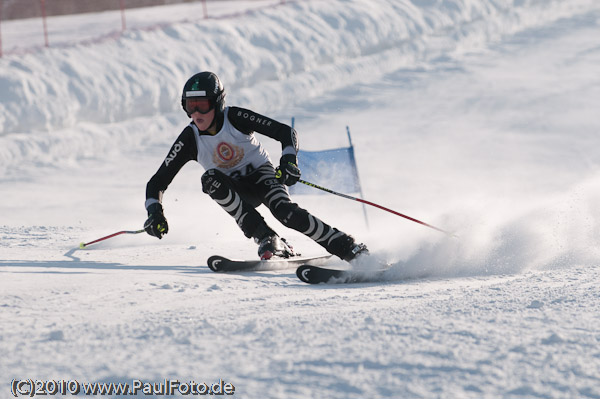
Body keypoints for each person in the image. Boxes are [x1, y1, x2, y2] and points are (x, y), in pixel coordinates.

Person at [144, 71, 368, 261]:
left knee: (284, 212)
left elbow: (285, 133)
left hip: (262, 176)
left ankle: (348, 247)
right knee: (210, 180)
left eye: (201, 105)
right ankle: (267, 238)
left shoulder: (235, 117)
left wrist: (289, 160)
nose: (195, 114)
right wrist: (155, 213)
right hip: (237, 189)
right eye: (189, 106)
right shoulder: (190, 138)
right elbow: (157, 182)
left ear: (217, 103)